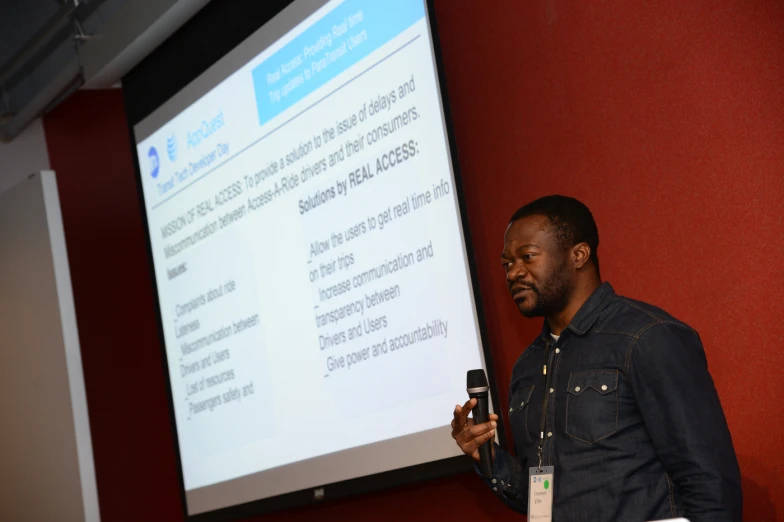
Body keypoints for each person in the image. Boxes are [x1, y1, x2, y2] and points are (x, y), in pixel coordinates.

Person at [451, 195, 742, 521]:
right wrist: (487, 456)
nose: (513, 273)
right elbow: (540, 500)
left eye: (527, 257)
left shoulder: (646, 337)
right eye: (507, 264)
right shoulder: (527, 368)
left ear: (578, 255)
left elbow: (709, 479)